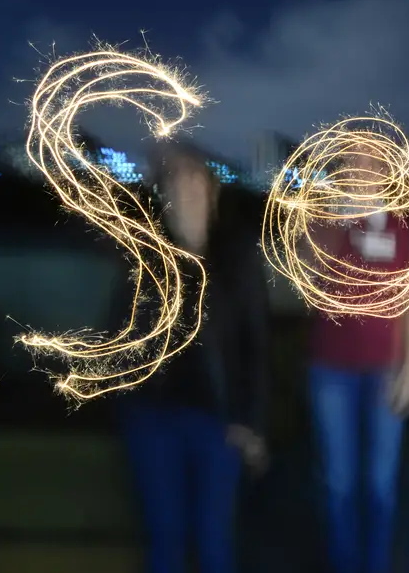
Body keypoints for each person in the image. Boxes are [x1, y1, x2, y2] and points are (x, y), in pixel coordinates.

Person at [119, 143, 270, 573]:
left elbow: (254, 345)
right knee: (165, 535)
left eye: (195, 180)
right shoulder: (145, 256)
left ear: (212, 193)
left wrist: (251, 422)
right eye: (175, 182)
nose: (186, 190)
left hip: (217, 422)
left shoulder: (236, 256)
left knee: (213, 537)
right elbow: (123, 337)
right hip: (153, 418)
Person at [306, 148, 409, 573]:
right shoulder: (322, 222)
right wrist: (337, 222)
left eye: (370, 164)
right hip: (330, 369)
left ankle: (374, 564)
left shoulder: (401, 228)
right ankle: (342, 561)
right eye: (351, 163)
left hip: (384, 369)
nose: (361, 170)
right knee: (337, 480)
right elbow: (304, 272)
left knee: (379, 482)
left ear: (383, 173)